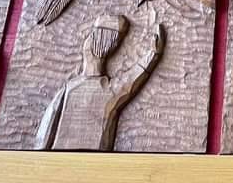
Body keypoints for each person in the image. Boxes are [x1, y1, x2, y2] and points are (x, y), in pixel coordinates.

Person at [35, 16, 165, 151]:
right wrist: (153, 54)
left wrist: (153, 54)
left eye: (93, 36)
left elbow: (133, 78)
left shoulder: (104, 90)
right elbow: (46, 130)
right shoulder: (73, 88)